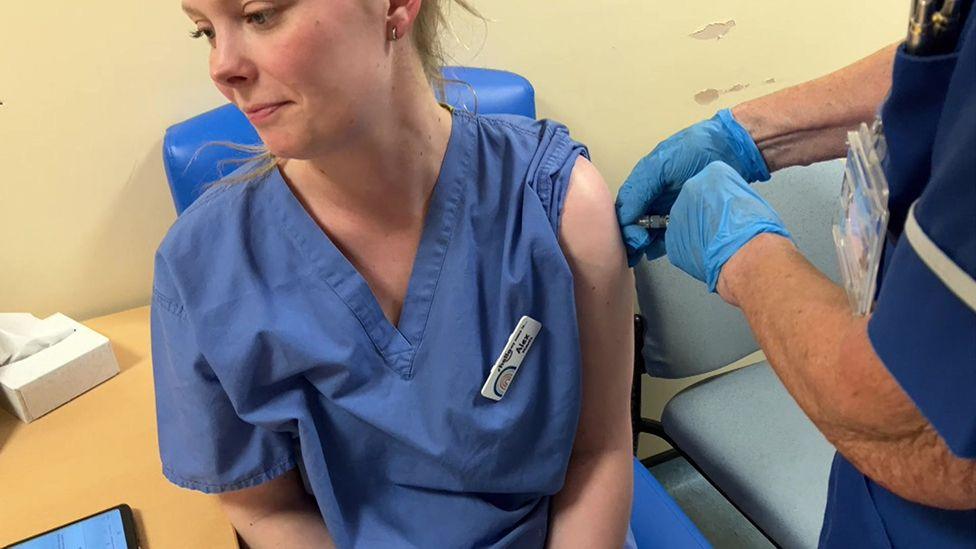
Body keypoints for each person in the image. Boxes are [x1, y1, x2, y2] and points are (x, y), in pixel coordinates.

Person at [152, 0, 635, 547]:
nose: (221, 66)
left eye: (260, 14)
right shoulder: (202, 271)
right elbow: (265, 509)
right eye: (203, 31)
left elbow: (600, 452)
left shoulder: (559, 203)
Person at [616, 4, 975, 547]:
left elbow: (923, 426)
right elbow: (951, 72)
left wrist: (744, 254)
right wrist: (749, 135)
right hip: (873, 476)